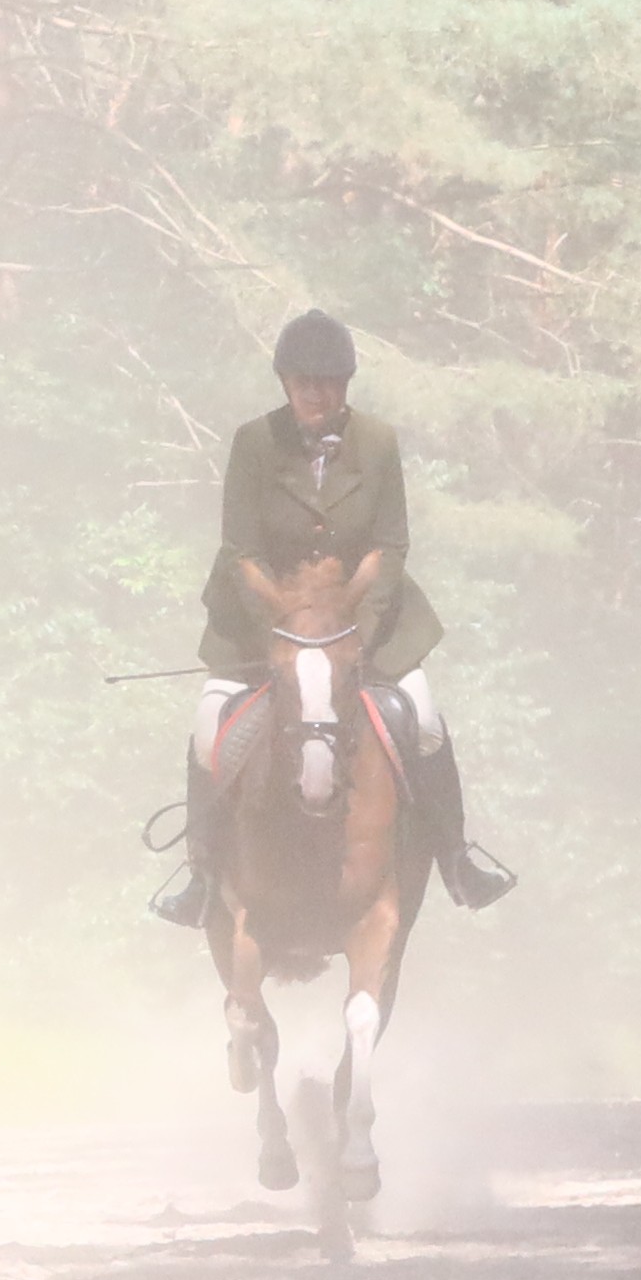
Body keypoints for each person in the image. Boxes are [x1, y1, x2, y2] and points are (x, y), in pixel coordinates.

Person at [150, 308, 516, 926]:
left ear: (344, 385)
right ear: (285, 383)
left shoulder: (378, 443)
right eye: (303, 383)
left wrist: (355, 632)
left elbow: (388, 547)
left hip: (362, 625)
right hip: (266, 624)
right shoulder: (253, 443)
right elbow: (241, 553)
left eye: (327, 383)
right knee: (209, 724)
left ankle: (457, 860)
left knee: (425, 720)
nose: (315, 394)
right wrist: (282, 630)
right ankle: (200, 875)